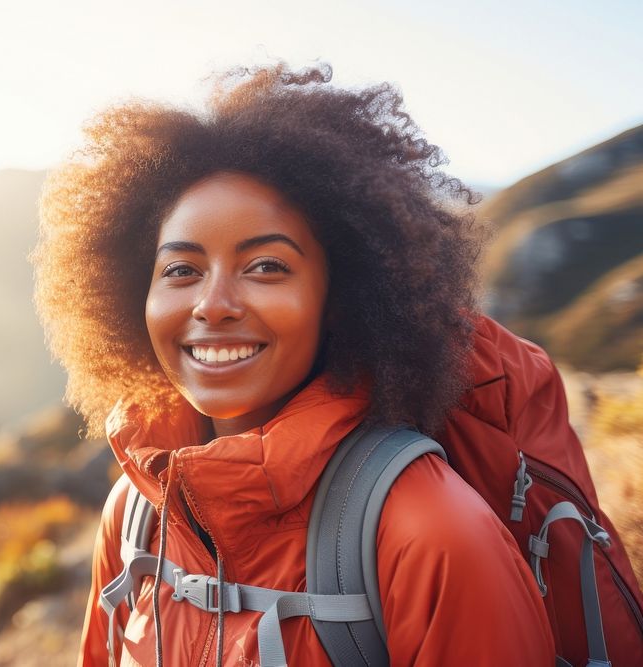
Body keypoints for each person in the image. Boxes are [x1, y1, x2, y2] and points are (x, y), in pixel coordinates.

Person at [32, 62, 555, 666]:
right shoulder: (135, 511)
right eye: (181, 270)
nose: (214, 304)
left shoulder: (431, 535)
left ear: (340, 297)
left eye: (266, 267)